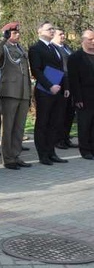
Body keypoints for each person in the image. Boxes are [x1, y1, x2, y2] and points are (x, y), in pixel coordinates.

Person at [0, 22, 33, 170]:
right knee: (8, 127)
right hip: (9, 92)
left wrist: (29, 92)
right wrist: (2, 39)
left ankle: (16, 155)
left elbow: (25, 72)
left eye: (17, 32)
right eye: (14, 33)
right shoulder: (4, 47)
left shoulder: (20, 48)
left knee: (19, 127)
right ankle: (7, 159)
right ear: (7, 34)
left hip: (23, 92)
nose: (18, 35)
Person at [28, 21, 68, 165]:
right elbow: (36, 70)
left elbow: (61, 69)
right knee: (43, 122)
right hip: (45, 90)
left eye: (53, 29)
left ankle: (52, 152)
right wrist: (50, 86)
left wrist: (64, 87)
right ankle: (43, 154)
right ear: (40, 31)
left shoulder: (54, 48)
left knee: (54, 122)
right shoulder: (35, 48)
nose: (52, 31)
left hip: (57, 89)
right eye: (49, 29)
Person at [67, 29, 94, 160]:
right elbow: (74, 79)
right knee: (85, 124)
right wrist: (77, 97)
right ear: (83, 40)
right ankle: (85, 150)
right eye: (90, 39)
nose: (93, 42)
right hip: (84, 96)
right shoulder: (75, 57)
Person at [52, 28, 77, 149]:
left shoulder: (66, 47)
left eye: (63, 34)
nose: (63, 36)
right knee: (60, 113)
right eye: (60, 34)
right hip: (60, 82)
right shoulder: (53, 48)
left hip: (72, 82)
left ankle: (66, 138)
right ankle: (58, 139)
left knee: (70, 112)